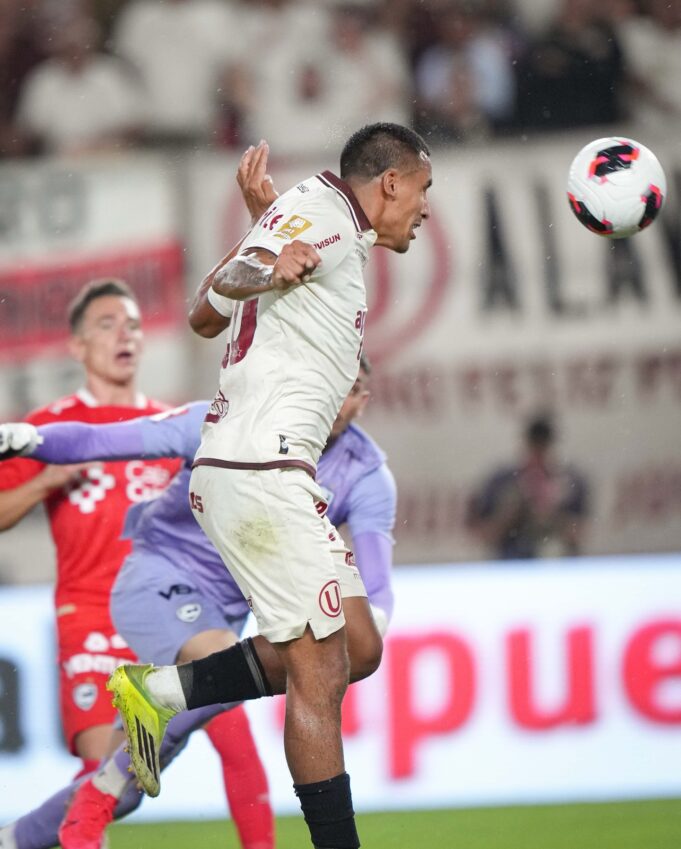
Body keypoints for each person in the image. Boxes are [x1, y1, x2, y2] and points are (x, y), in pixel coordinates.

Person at [108, 121, 430, 849]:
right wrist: (265, 261)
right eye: (422, 187)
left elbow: (200, 314)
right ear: (388, 182)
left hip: (263, 467)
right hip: (260, 468)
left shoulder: (326, 224)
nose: (425, 206)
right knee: (318, 677)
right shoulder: (320, 211)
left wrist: (269, 240)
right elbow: (233, 282)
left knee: (357, 644)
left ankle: (162, 691)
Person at [0, 354, 395, 849]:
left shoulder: (366, 473)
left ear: (363, 400)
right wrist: (30, 440)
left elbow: (377, 585)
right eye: (331, 379)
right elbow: (106, 440)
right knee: (230, 700)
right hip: (158, 577)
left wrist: (360, 643)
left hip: (229, 612)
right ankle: (117, 767)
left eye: (352, 387)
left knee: (142, 776)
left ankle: (22, 835)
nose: (338, 396)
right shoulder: (223, 422)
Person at [0, 278, 181, 778]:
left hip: (165, 614)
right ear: (78, 346)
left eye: (134, 325)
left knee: (235, 742)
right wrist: (49, 480)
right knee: (110, 773)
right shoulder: (50, 430)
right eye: (108, 325)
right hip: (91, 614)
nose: (125, 335)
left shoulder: (169, 427)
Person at [467, 413, 590, 560]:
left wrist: (550, 510)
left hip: (558, 568)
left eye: (542, 447)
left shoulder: (569, 482)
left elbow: (580, 533)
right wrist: (512, 512)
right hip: (512, 567)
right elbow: (484, 535)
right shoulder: (502, 482)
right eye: (534, 446)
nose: (538, 454)